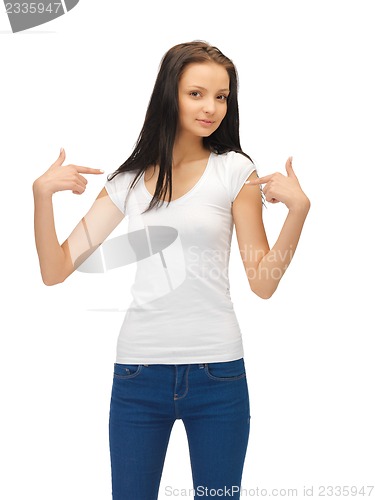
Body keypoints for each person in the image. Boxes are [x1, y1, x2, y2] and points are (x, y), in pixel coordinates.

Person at [33, 41, 310, 499]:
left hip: (218, 374)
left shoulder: (235, 171)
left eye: (221, 96)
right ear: (170, 94)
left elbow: (262, 282)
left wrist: (298, 211)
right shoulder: (129, 181)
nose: (211, 107)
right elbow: (55, 269)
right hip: (138, 374)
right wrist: (42, 197)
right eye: (196, 93)